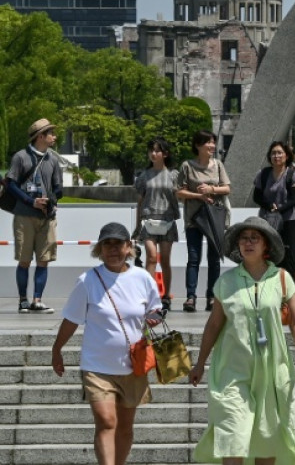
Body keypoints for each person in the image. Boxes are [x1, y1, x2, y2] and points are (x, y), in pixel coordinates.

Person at [189, 216, 295, 464]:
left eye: (254, 238)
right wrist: (200, 363)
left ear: (266, 245)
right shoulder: (226, 282)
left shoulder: (282, 278)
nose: (248, 243)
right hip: (233, 372)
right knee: (232, 438)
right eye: (243, 238)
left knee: (266, 442)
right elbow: (214, 325)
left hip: (271, 371)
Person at [52, 222, 163, 465]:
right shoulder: (88, 280)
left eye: (118, 243)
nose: (113, 249)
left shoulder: (143, 278)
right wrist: (57, 349)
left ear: (128, 247)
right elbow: (71, 319)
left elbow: (155, 309)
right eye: (107, 244)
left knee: (125, 427)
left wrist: (154, 319)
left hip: (133, 366)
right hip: (97, 367)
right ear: (99, 249)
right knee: (106, 421)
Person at [6, 118, 63, 314]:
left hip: (47, 217)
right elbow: (11, 185)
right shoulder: (21, 157)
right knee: (24, 260)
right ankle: (23, 300)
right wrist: (31, 202)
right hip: (24, 216)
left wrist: (52, 199)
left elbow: (58, 188)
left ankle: (37, 300)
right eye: (51, 133)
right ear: (40, 136)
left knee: (44, 260)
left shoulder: (53, 159)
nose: (54, 137)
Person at [177, 130, 230, 313]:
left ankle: (212, 297)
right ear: (198, 145)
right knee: (193, 258)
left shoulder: (218, 165)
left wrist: (211, 189)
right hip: (194, 219)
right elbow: (179, 192)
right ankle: (190, 297)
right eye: (208, 142)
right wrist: (198, 195)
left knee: (214, 259)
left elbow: (227, 188)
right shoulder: (187, 166)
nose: (212, 146)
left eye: (213, 142)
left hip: (214, 217)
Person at [133, 137, 180, 313]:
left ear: (165, 154)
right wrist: (137, 225)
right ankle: (149, 296)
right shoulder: (143, 176)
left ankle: (166, 295)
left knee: (165, 259)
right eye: (151, 150)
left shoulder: (174, 175)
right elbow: (140, 201)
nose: (153, 153)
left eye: (157, 150)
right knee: (151, 257)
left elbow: (179, 195)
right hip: (148, 219)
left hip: (167, 220)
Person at [253, 141, 295, 280]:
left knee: (290, 257)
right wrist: (270, 206)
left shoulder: (293, 175)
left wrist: (279, 209)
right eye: (273, 153)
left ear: (286, 156)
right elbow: (256, 196)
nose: (276, 156)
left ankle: (290, 288)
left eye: (280, 153)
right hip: (267, 221)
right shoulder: (262, 174)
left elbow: (293, 199)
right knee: (269, 256)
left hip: (288, 221)